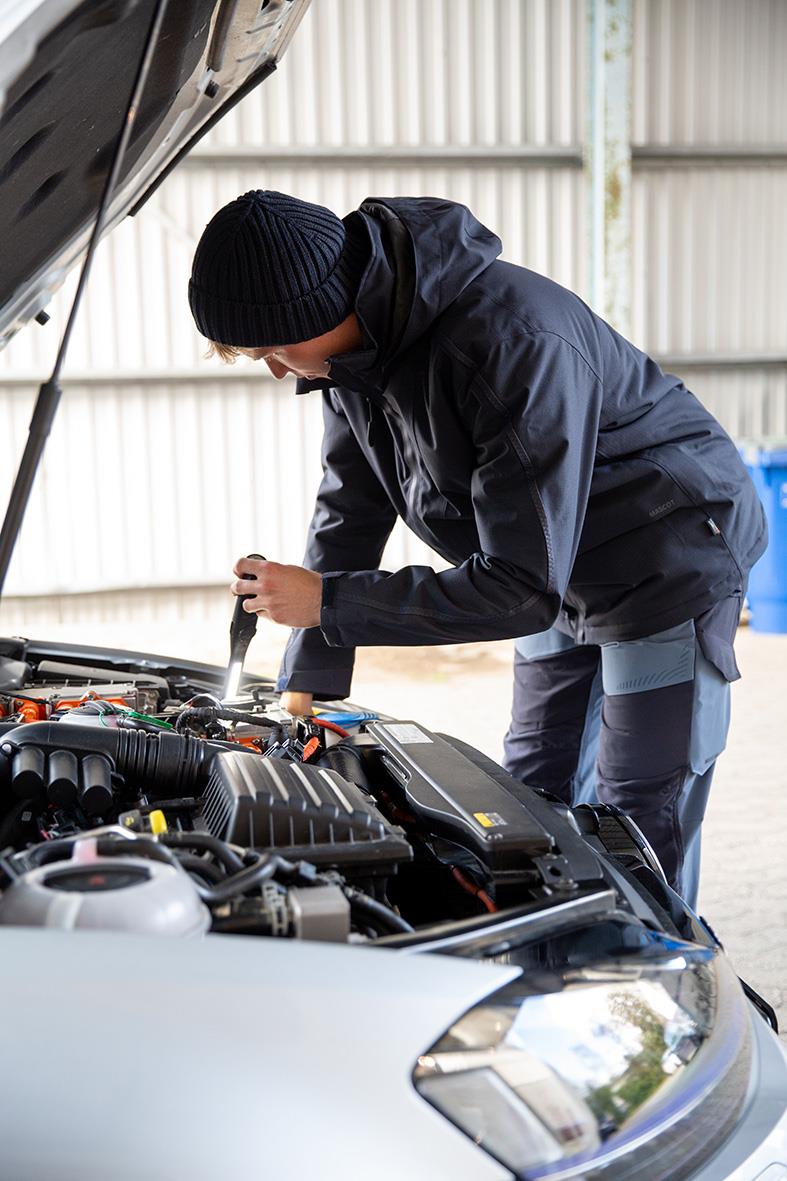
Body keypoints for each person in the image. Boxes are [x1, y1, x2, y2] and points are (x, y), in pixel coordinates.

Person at [188, 189, 766, 909]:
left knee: (634, 815)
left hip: (660, 555)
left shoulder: (509, 343)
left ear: (315, 310)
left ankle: (658, 989)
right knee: (529, 787)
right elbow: (349, 509)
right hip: (539, 554)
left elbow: (521, 588)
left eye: (274, 349)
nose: (275, 369)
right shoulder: (350, 360)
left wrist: (330, 603)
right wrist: (306, 679)